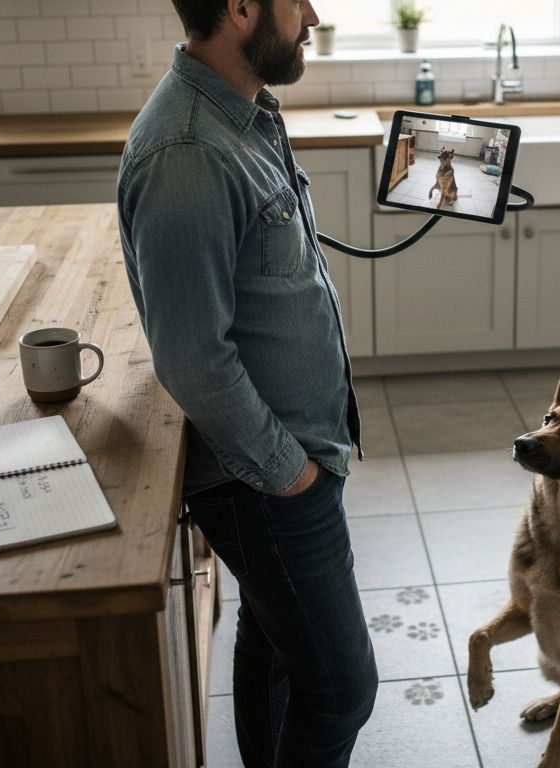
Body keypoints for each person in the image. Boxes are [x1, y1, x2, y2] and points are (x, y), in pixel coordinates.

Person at [117, 0, 377, 765]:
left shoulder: (243, 113)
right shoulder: (189, 152)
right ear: (238, 7)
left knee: (272, 641)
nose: (313, 14)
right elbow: (195, 359)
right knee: (340, 688)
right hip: (264, 481)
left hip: (287, 459)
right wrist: (291, 476)